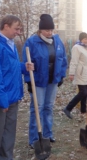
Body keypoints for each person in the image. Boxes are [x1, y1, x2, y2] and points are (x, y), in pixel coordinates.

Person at [0, 15, 33, 159]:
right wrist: (2, 101)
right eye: (16, 28)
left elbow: (9, 67)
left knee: (9, 135)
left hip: (12, 97)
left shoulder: (10, 43)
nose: (18, 32)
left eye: (20, 29)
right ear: (6, 26)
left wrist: (23, 67)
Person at [22, 14, 67, 147]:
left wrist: (61, 75)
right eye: (47, 30)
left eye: (51, 30)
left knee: (48, 107)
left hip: (52, 81)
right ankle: (34, 138)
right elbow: (26, 63)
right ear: (40, 30)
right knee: (37, 108)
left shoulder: (57, 41)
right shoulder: (31, 42)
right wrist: (29, 82)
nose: (49, 33)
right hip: (39, 81)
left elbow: (63, 59)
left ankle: (47, 134)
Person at [63, 32, 87, 119]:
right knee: (83, 92)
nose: (86, 41)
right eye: (85, 39)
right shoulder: (76, 47)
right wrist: (71, 73)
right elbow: (74, 61)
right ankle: (68, 108)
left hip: (86, 73)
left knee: (86, 92)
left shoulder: (84, 48)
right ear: (81, 39)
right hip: (80, 73)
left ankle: (83, 110)